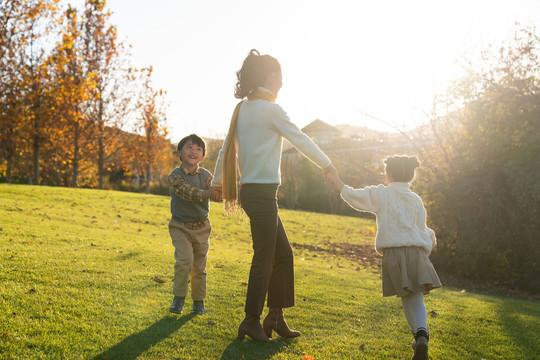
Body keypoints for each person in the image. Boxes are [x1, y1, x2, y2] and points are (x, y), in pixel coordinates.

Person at [211, 49, 336, 342]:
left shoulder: (242, 109)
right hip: (262, 194)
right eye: (281, 75)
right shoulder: (271, 109)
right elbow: (301, 139)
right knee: (265, 256)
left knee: (283, 255)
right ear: (272, 76)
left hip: (252, 193)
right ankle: (251, 320)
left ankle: (275, 317)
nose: (283, 81)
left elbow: (226, 148)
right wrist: (327, 164)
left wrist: (218, 182)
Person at [325, 155, 441, 360]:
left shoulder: (382, 193)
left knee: (407, 297)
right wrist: (431, 240)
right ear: (410, 177)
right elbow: (421, 229)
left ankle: (419, 338)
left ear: (388, 175)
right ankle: (421, 336)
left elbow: (354, 196)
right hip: (416, 253)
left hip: (394, 254)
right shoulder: (415, 199)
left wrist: (336, 179)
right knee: (416, 298)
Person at [168, 134, 221, 315]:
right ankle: (179, 298)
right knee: (185, 261)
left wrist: (222, 192)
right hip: (180, 226)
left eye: (198, 149)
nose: (194, 151)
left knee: (199, 266)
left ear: (203, 157)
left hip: (201, 227)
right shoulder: (175, 176)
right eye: (189, 147)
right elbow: (187, 192)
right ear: (180, 153)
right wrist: (208, 194)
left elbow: (216, 191)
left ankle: (198, 302)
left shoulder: (206, 176)